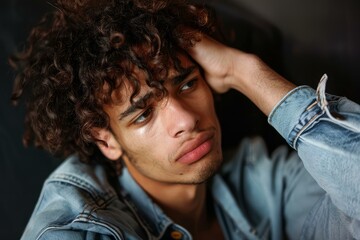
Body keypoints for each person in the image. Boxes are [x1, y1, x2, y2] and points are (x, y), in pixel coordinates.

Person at [10, 0, 360, 239]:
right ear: (107, 141)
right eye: (144, 113)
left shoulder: (260, 180)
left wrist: (246, 71)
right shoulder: (80, 227)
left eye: (188, 83)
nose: (186, 120)